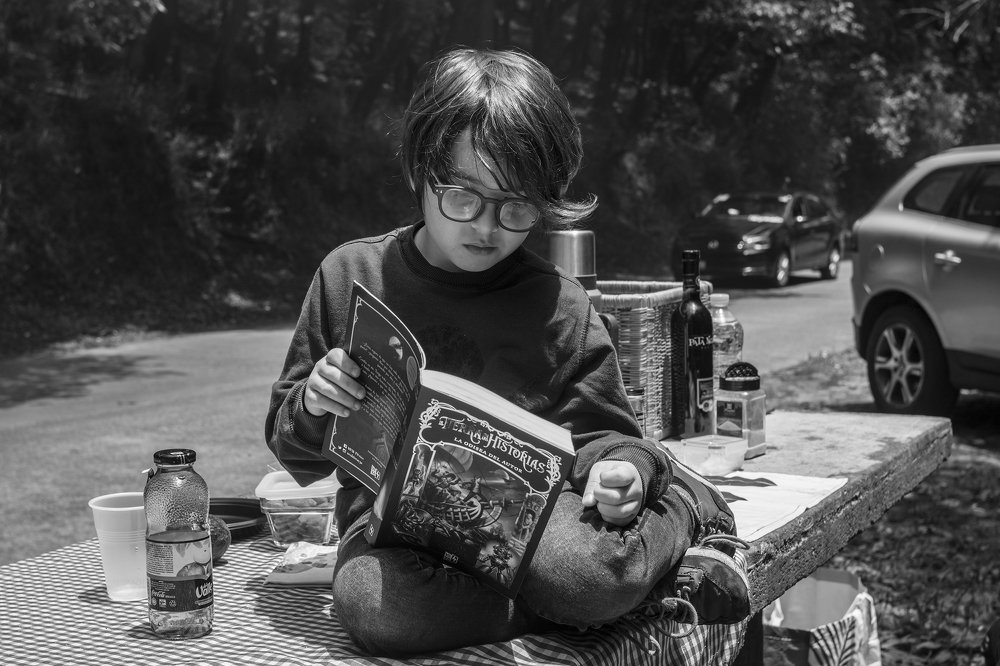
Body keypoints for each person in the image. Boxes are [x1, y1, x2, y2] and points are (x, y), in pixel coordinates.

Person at [265, 47, 748, 657]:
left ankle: (685, 504)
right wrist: (314, 403)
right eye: (463, 196)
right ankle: (602, 602)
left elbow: (609, 437)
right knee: (374, 606)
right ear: (419, 173)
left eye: (516, 206)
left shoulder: (559, 303)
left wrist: (627, 473)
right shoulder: (351, 276)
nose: (486, 226)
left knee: (592, 574)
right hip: (394, 535)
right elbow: (291, 450)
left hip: (530, 524)